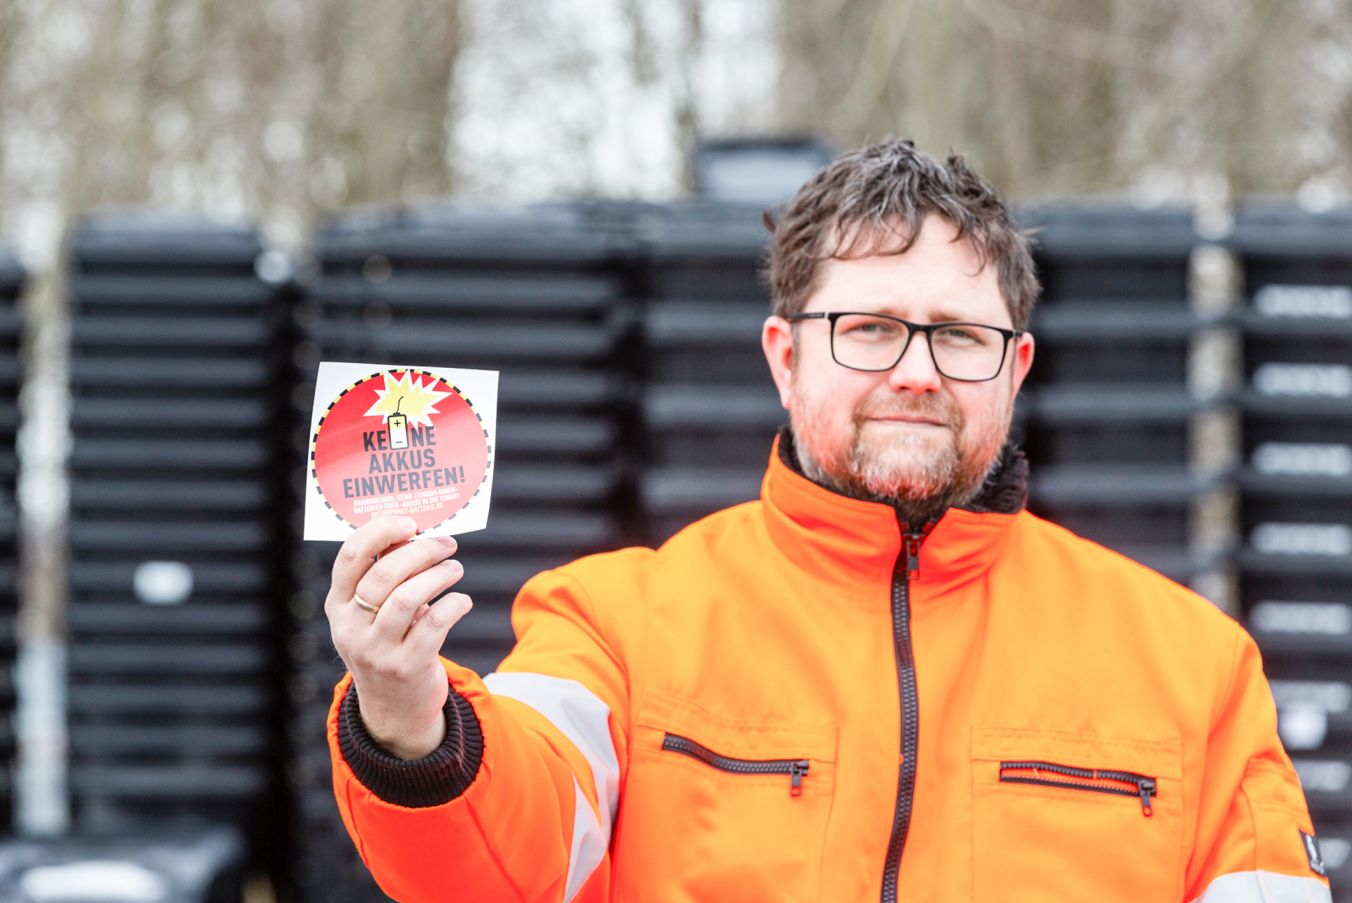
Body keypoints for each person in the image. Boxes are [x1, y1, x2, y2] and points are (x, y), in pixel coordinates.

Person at [323, 139, 1331, 902]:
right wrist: (408, 718)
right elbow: (507, 859)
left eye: (957, 336)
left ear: (1013, 369)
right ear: (783, 356)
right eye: (870, 329)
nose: (915, 371)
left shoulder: (1195, 667)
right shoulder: (615, 626)